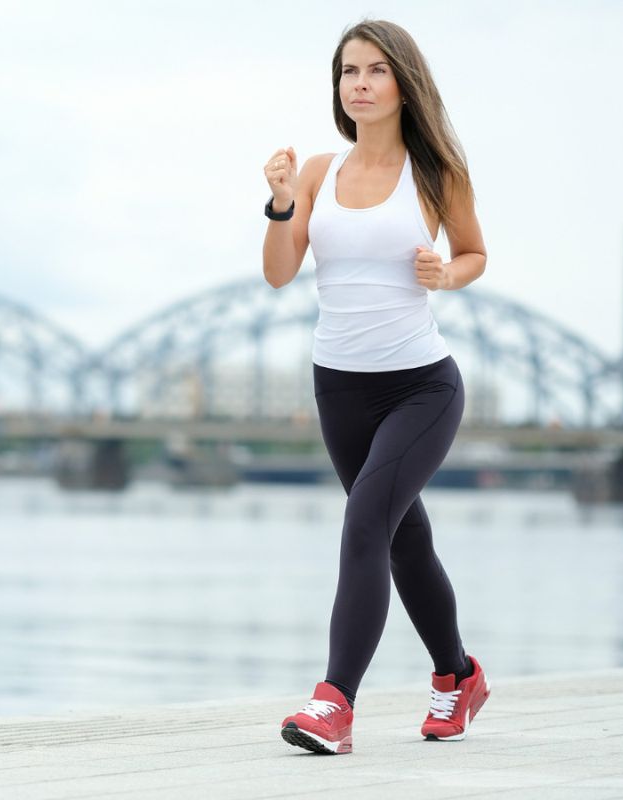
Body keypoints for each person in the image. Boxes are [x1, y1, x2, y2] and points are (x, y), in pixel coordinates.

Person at [261, 19, 490, 755]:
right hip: (340, 389)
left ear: (403, 84)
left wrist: (445, 274)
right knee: (404, 543)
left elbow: (474, 253)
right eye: (347, 71)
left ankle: (334, 705)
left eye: (374, 71)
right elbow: (276, 272)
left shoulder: (436, 172)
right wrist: (278, 203)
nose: (358, 83)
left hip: (421, 388)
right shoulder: (317, 173)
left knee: (365, 523)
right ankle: (458, 678)